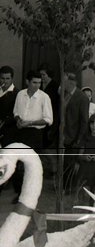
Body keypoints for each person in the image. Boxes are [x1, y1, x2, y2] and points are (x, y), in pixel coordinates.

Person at [11, 70, 53, 201]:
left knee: (32, 166)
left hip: (35, 135)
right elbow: (15, 112)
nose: (37, 85)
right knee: (18, 164)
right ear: (27, 82)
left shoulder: (44, 97)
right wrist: (18, 120)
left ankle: (31, 195)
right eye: (34, 82)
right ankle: (20, 194)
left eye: (39, 83)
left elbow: (48, 119)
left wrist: (29, 123)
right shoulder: (20, 94)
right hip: (20, 133)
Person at [62, 72, 90, 193]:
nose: (62, 84)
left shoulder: (82, 98)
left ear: (71, 82)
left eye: (64, 81)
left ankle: (69, 187)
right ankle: (65, 186)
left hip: (73, 137)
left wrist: (78, 140)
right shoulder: (64, 95)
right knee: (65, 162)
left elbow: (84, 121)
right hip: (64, 135)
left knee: (70, 163)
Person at [38, 64, 60, 155]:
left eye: (44, 75)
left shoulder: (56, 86)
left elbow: (57, 105)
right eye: (40, 75)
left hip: (51, 116)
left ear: (49, 75)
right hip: (39, 116)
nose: (41, 77)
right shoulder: (38, 84)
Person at [0, 66, 18, 149]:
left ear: (12, 79)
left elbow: (16, 114)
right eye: (2, 78)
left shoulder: (17, 93)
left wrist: (3, 122)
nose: (5, 81)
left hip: (8, 132)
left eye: (7, 78)